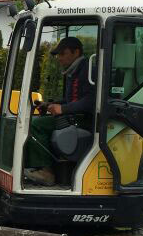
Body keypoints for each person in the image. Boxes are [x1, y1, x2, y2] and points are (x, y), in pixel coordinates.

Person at [25, 36, 95, 186]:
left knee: (37, 125)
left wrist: (62, 109)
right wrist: (50, 104)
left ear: (76, 52)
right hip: (76, 115)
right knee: (35, 121)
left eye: (62, 54)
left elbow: (90, 101)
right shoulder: (75, 70)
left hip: (84, 119)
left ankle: (46, 172)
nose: (59, 58)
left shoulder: (88, 70)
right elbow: (71, 99)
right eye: (58, 55)